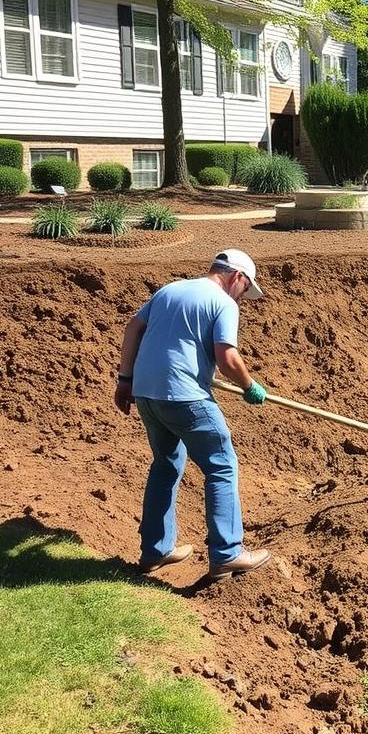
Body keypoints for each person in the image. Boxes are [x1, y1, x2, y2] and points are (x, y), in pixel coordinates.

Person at [114, 249, 272, 581]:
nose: (242, 299)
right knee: (222, 464)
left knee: (166, 464)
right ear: (237, 278)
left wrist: (125, 379)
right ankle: (227, 553)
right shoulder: (224, 303)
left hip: (147, 394)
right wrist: (250, 386)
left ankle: (155, 551)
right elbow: (227, 358)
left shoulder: (170, 290)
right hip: (185, 397)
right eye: (245, 291)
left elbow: (132, 330)